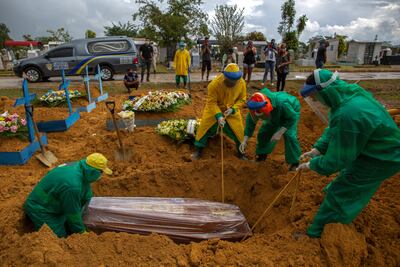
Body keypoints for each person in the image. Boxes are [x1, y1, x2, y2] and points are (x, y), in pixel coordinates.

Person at [297, 69, 400, 238]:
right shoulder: (349, 98)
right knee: (347, 178)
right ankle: (328, 207)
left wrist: (312, 164)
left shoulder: (349, 114)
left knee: (344, 191)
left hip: (383, 157)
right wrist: (319, 148)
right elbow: (334, 128)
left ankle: (319, 235)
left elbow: (337, 160)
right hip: (373, 148)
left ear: (326, 91)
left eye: (315, 95)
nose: (315, 100)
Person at [24, 153, 113, 238]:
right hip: (42, 208)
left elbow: (85, 189)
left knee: (70, 220)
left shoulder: (79, 167)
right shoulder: (73, 186)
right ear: (92, 171)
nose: (101, 175)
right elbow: (72, 213)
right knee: (59, 237)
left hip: (55, 201)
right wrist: (81, 232)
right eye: (101, 172)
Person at [192, 63, 247, 160]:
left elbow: (242, 99)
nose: (233, 83)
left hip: (231, 111)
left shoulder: (241, 83)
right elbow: (211, 102)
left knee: (239, 131)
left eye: (235, 81)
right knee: (204, 127)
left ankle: (241, 153)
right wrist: (219, 116)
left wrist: (233, 109)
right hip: (214, 110)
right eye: (231, 81)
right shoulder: (214, 84)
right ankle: (198, 150)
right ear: (225, 76)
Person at [240, 89, 301, 170]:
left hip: (291, 111)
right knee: (264, 133)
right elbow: (250, 122)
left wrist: (280, 132)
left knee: (289, 135)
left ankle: (294, 163)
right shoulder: (254, 107)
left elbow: (292, 118)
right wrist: (245, 139)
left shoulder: (282, 103)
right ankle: (261, 156)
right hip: (274, 117)